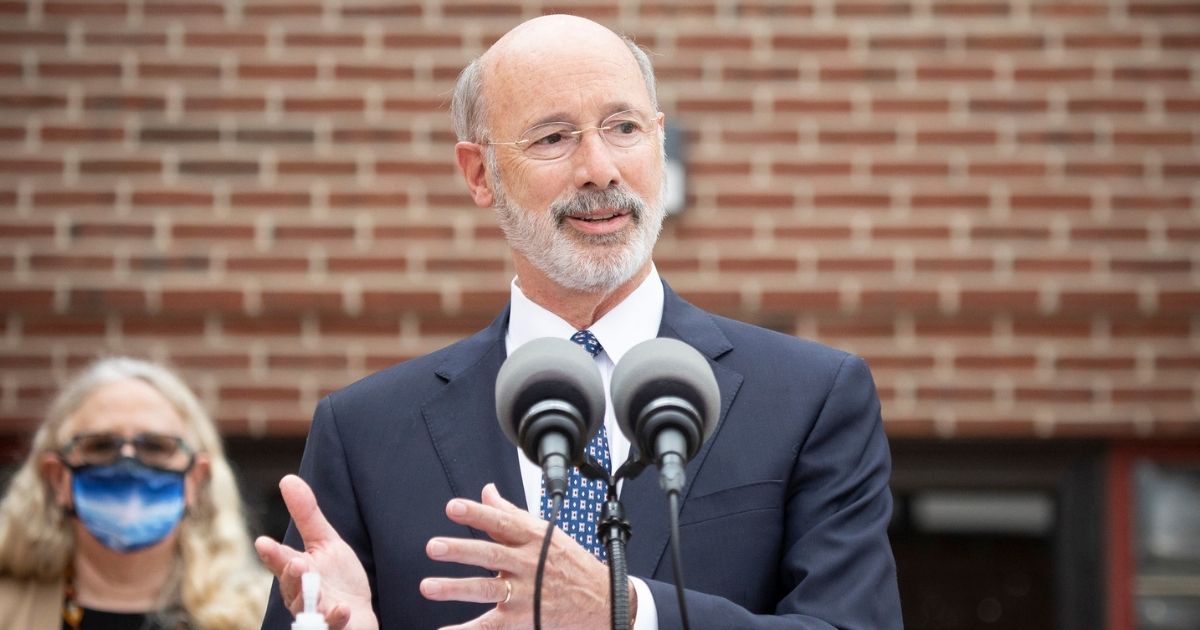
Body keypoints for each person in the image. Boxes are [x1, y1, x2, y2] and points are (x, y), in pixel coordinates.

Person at [257, 14, 901, 630]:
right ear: (480, 174)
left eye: (623, 127)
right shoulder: (366, 432)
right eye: (553, 137)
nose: (600, 169)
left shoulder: (810, 398)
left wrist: (626, 612)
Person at [0, 356, 271, 629]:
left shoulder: (269, 614)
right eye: (101, 445)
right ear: (58, 478)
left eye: (155, 447)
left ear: (196, 480)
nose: (128, 463)